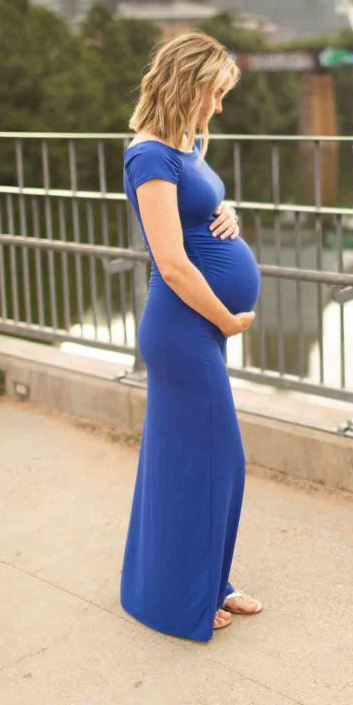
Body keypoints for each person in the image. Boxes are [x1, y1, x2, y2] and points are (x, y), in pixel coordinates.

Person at [120, 31, 264, 641]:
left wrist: (228, 213)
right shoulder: (149, 155)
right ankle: (179, 601)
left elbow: (197, 214)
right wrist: (228, 320)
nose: (219, 107)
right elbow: (173, 264)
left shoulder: (187, 143)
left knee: (201, 463)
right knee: (211, 462)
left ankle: (209, 581)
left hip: (198, 328)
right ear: (189, 84)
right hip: (183, 328)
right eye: (215, 93)